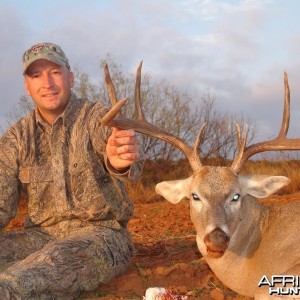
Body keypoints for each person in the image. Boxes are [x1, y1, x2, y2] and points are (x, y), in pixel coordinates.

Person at [0, 42, 144, 299]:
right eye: (36, 75)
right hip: (37, 238)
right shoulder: (16, 138)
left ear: (71, 77)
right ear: (27, 86)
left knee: (30, 276)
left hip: (101, 236)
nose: (47, 83)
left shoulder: (98, 118)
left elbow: (123, 154)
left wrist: (119, 160)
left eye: (55, 72)